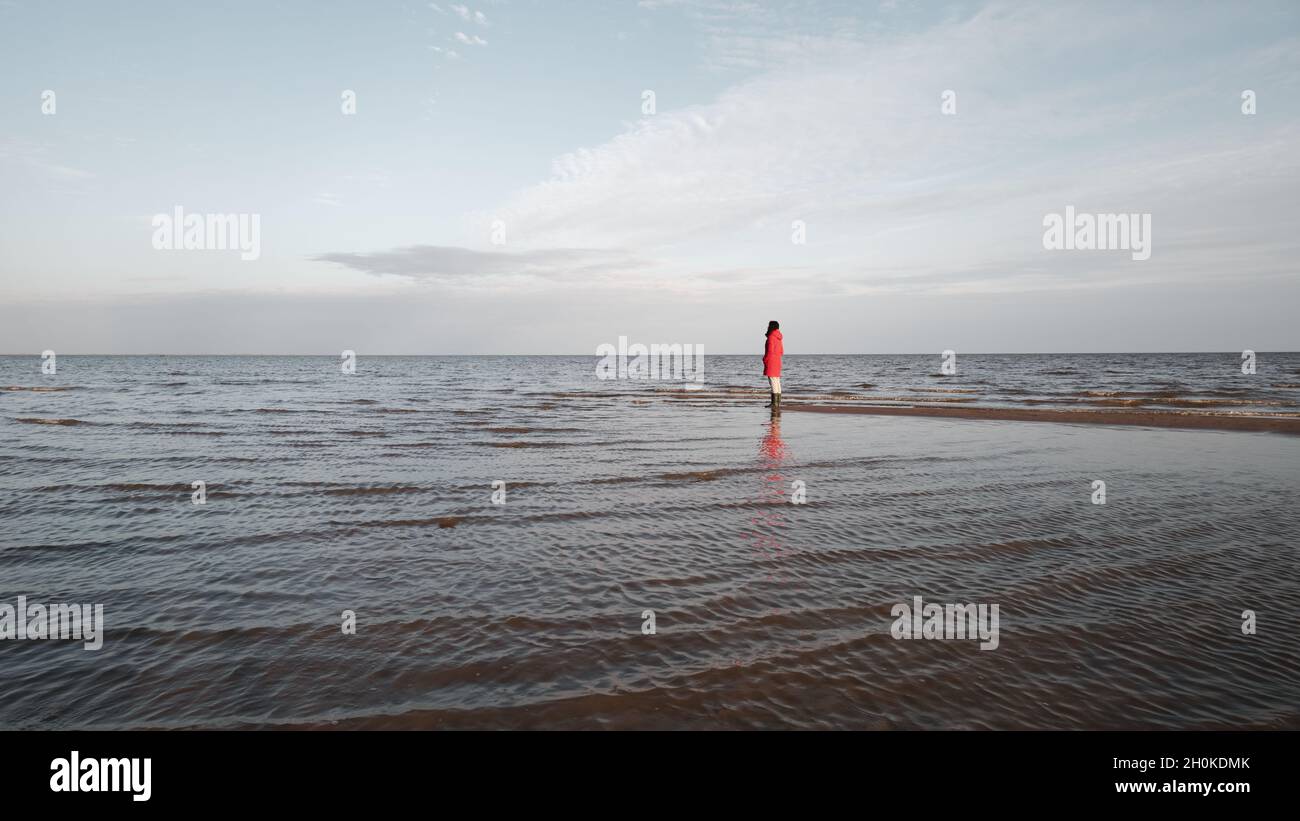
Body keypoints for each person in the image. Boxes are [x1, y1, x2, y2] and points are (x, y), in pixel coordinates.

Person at [763, 320, 783, 412]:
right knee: (777, 381)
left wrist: (765, 359)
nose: (767, 327)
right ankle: (777, 402)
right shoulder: (778, 338)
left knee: (773, 382)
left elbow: (770, 351)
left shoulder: (771, 337)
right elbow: (782, 351)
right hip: (777, 360)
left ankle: (774, 403)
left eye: (768, 325)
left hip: (772, 361)